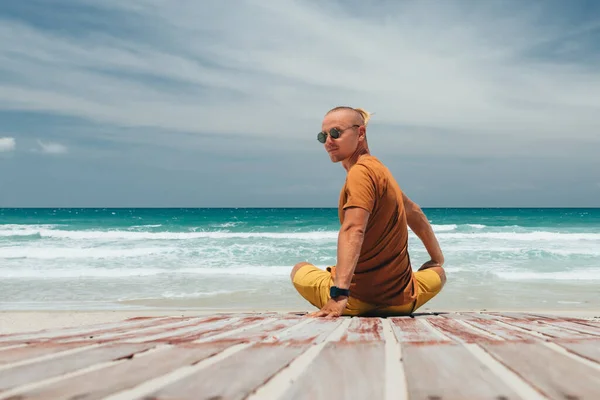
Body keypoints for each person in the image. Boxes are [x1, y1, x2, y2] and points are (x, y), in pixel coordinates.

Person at [290, 106, 446, 318]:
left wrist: (339, 295)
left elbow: (354, 228)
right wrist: (437, 259)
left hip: (355, 301)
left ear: (360, 133)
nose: (328, 141)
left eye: (336, 133)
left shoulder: (360, 173)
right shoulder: (380, 170)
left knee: (299, 268)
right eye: (323, 136)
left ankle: (344, 294)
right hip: (402, 301)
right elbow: (414, 211)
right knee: (439, 274)